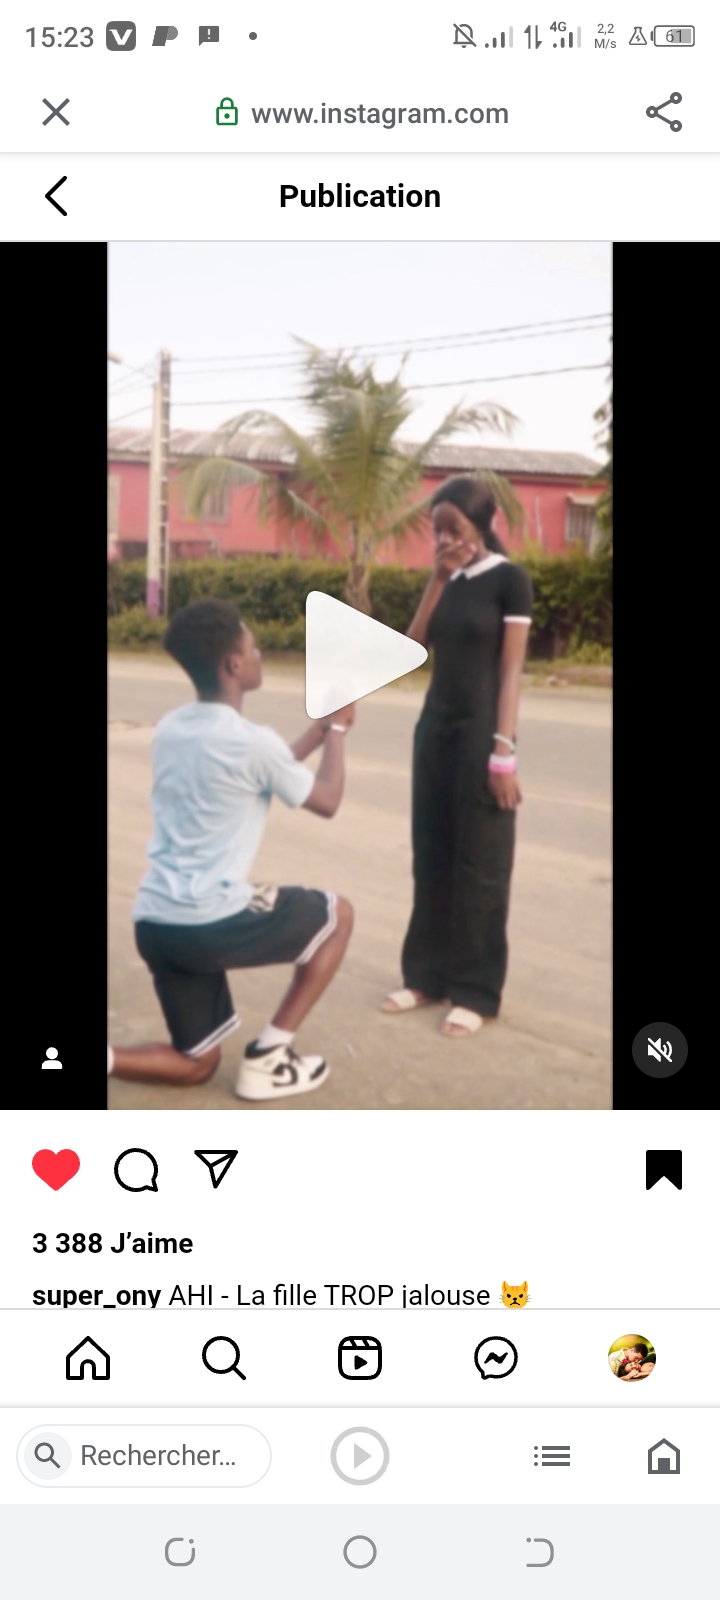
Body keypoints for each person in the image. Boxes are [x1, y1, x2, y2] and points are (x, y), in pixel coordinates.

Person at [108, 598, 354, 1100]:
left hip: (156, 923)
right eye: (253, 647)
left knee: (196, 1063)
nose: (260, 654)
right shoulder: (251, 742)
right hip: (207, 921)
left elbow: (259, 773)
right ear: (233, 665)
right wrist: (338, 734)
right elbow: (326, 800)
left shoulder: (173, 728)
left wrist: (316, 732)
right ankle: (270, 1057)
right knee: (336, 916)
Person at [382, 476, 532, 1038]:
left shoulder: (510, 581)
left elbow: (511, 669)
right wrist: (437, 579)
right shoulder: (445, 580)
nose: (444, 538)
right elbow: (411, 648)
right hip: (435, 732)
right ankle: (425, 977)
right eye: (437, 529)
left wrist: (503, 751)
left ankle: (475, 991)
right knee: (431, 854)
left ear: (482, 525)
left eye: (455, 528)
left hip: (481, 735)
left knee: (481, 865)